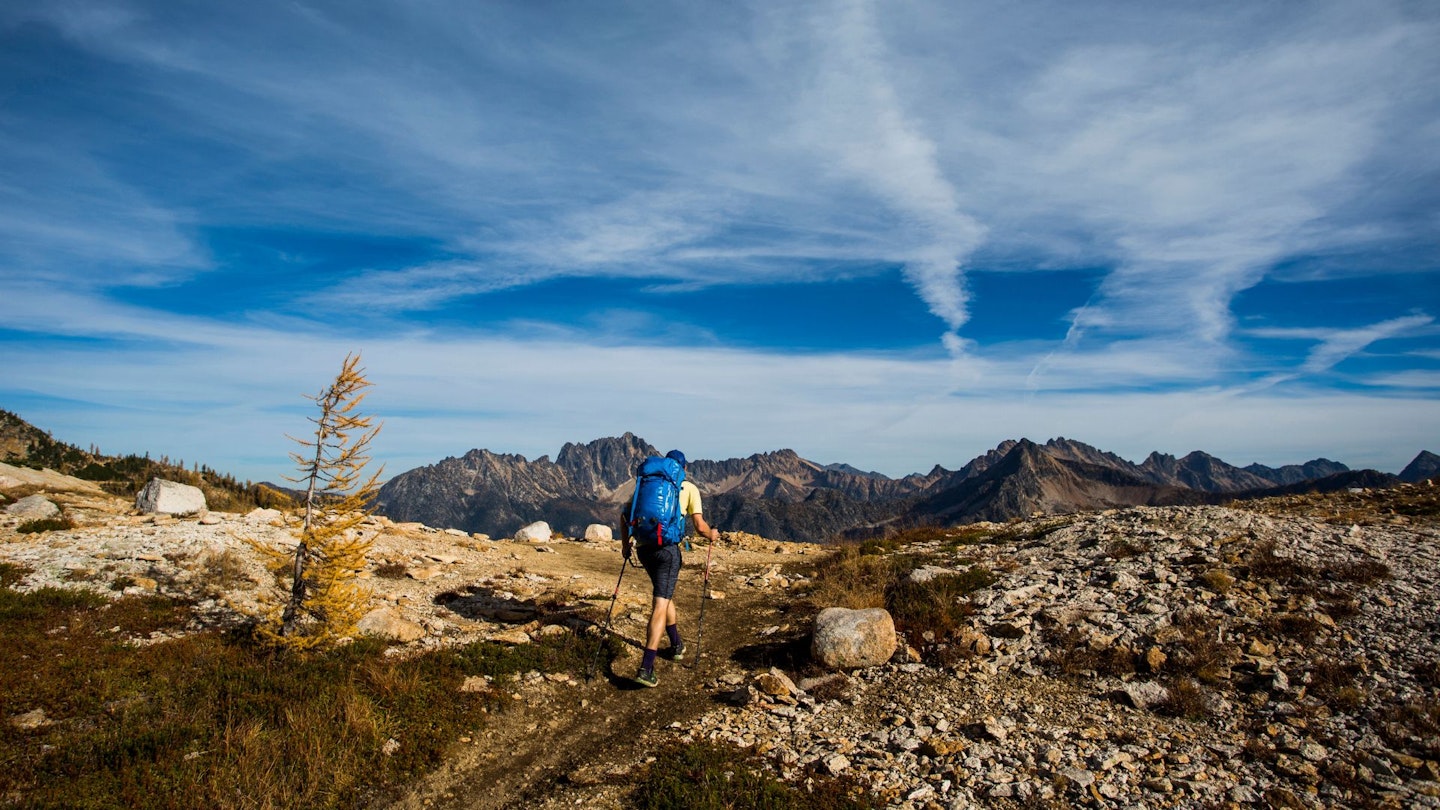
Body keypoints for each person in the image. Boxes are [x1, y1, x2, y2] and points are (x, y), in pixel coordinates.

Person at [620, 449, 720, 688]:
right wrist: (711, 535)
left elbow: (624, 516)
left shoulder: (646, 486)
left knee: (664, 593)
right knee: (660, 604)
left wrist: (626, 546)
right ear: (683, 469)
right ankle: (646, 667)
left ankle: (676, 644)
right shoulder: (688, 488)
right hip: (668, 551)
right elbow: (699, 526)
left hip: (644, 549)